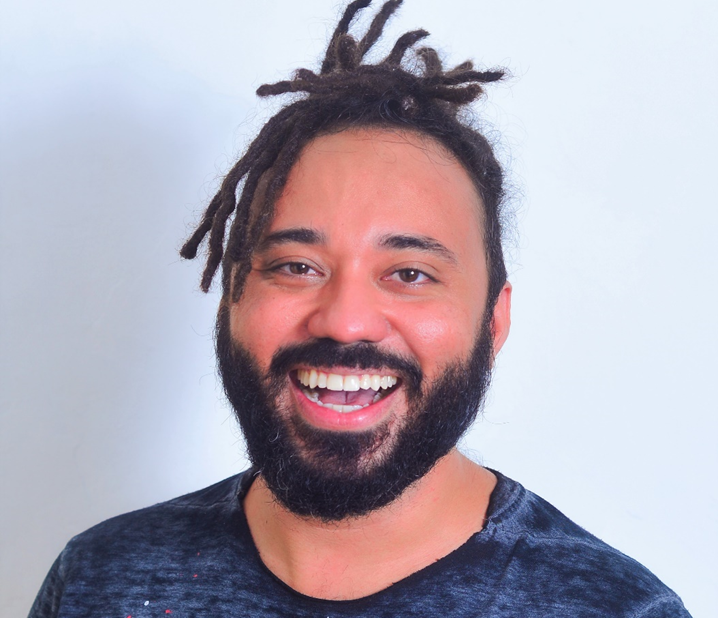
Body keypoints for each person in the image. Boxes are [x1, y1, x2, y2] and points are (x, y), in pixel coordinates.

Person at [29, 1, 691, 616]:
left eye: (409, 274)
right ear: (231, 298)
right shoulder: (98, 581)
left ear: (493, 324)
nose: (345, 321)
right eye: (297, 267)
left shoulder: (619, 609)